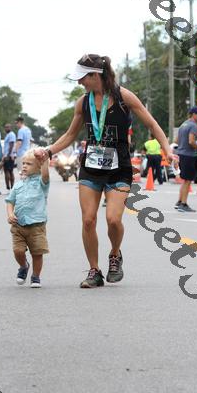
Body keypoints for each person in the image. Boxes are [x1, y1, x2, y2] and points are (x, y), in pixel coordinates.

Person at [35, 54, 174, 288]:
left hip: (119, 169)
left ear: (95, 75)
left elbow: (152, 124)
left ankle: (115, 254)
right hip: (91, 168)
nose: (80, 82)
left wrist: (167, 150)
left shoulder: (124, 97)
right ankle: (94, 270)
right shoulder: (83, 103)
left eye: (83, 78)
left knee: (113, 219)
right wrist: (48, 151)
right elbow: (70, 135)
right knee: (88, 220)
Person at [5, 150, 50, 288]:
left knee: (37, 253)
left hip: (37, 226)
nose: (24, 166)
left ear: (38, 166)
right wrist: (10, 214)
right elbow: (10, 201)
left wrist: (44, 161)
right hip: (18, 225)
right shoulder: (18, 185)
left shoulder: (42, 183)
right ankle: (24, 265)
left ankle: (35, 277)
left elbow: (45, 175)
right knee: (18, 251)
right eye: (23, 163)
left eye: (29, 164)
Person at [174, 107, 197, 212]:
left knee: (185, 180)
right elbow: (191, 141)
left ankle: (179, 201)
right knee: (188, 180)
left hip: (180, 154)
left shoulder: (183, 124)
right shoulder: (193, 125)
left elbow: (176, 140)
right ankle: (184, 204)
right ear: (194, 114)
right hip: (188, 155)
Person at [3, 123, 16, 190]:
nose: (6, 128)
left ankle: (10, 186)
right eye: (5, 127)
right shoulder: (8, 135)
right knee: (8, 171)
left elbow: (11, 145)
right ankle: (9, 186)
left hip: (9, 156)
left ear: (10, 128)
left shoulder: (11, 134)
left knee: (8, 171)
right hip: (7, 155)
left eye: (8, 127)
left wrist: (8, 155)